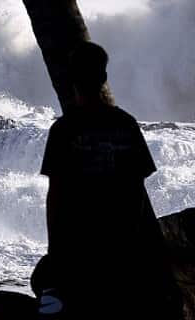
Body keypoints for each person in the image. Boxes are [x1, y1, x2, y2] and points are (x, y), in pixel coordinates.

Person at [37, 42, 181, 319]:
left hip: (77, 247)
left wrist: (54, 251)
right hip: (122, 247)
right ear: (104, 78)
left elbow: (56, 195)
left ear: (71, 79)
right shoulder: (125, 124)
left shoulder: (63, 130)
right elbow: (138, 192)